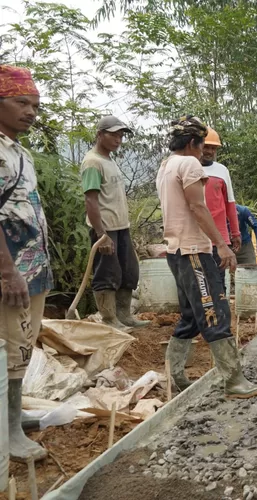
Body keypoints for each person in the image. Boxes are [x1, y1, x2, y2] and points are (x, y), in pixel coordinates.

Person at [156, 115, 257, 398]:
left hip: (176, 251)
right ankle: (234, 380)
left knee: (192, 317)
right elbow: (198, 207)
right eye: (201, 145)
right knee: (215, 312)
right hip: (194, 250)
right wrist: (221, 243)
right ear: (193, 143)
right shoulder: (189, 164)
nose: (203, 151)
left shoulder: (166, 166)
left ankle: (176, 376)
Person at [0, 65, 53, 461]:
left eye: (34, 105)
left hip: (30, 266)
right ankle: (10, 430)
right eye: (21, 103)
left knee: (24, 340)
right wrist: (7, 270)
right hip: (11, 267)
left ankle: (12, 416)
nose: (31, 112)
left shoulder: (18, 151)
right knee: (12, 341)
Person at [81, 116, 149, 330]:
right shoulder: (93, 162)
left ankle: (124, 316)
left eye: (121, 135)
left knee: (129, 272)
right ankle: (110, 320)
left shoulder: (109, 160)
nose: (118, 139)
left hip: (121, 227)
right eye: (114, 134)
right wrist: (102, 235)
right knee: (107, 274)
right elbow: (90, 200)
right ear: (100, 135)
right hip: (106, 229)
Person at [200, 127, 240, 293]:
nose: (209, 151)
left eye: (213, 148)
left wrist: (235, 233)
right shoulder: (188, 167)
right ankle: (199, 317)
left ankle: (219, 315)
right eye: (206, 146)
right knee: (198, 282)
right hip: (195, 234)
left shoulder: (222, 170)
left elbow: (230, 204)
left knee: (218, 279)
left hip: (219, 236)